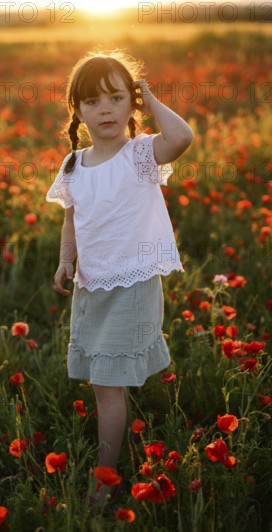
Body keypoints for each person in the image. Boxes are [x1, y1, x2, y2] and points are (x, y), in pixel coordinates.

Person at [46, 49, 193, 508]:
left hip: (131, 283)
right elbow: (71, 221)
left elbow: (183, 136)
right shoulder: (73, 166)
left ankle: (102, 485)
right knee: (102, 383)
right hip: (92, 286)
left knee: (109, 387)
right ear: (78, 110)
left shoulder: (142, 153)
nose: (105, 109)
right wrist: (65, 261)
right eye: (92, 101)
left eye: (115, 97)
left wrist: (150, 97)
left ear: (131, 104)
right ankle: (109, 470)